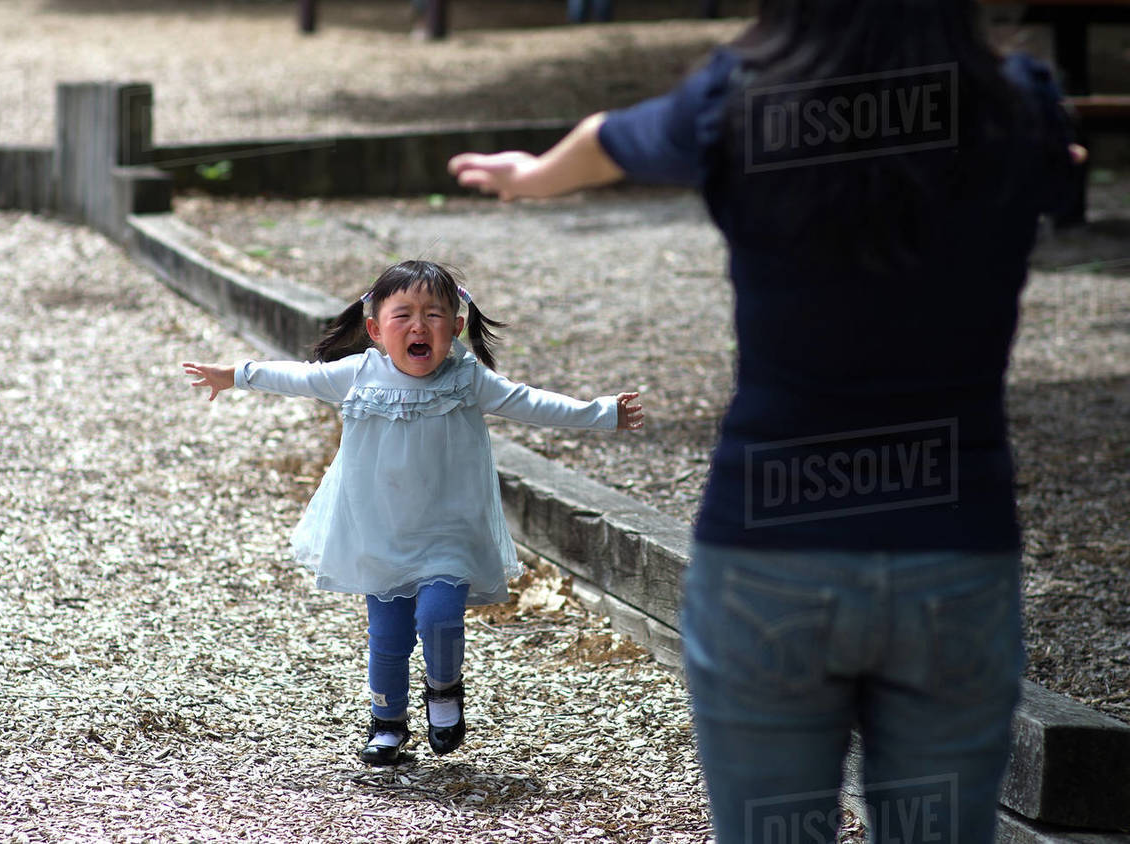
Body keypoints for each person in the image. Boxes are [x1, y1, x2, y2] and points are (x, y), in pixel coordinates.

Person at [448, 1, 1086, 840]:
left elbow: (608, 139)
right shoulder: (1015, 102)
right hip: (953, 548)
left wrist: (526, 176)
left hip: (769, 547)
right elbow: (1063, 179)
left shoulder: (739, 101)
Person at [183, 260, 643, 767]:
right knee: (388, 635)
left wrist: (602, 412)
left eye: (434, 314)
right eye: (403, 315)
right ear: (377, 330)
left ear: (456, 327)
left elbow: (531, 402)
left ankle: (444, 690)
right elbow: (297, 378)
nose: (419, 326)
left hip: (448, 530)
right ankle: (388, 724)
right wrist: (235, 375)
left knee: (440, 617)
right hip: (378, 530)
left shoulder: (466, 378)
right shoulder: (359, 374)